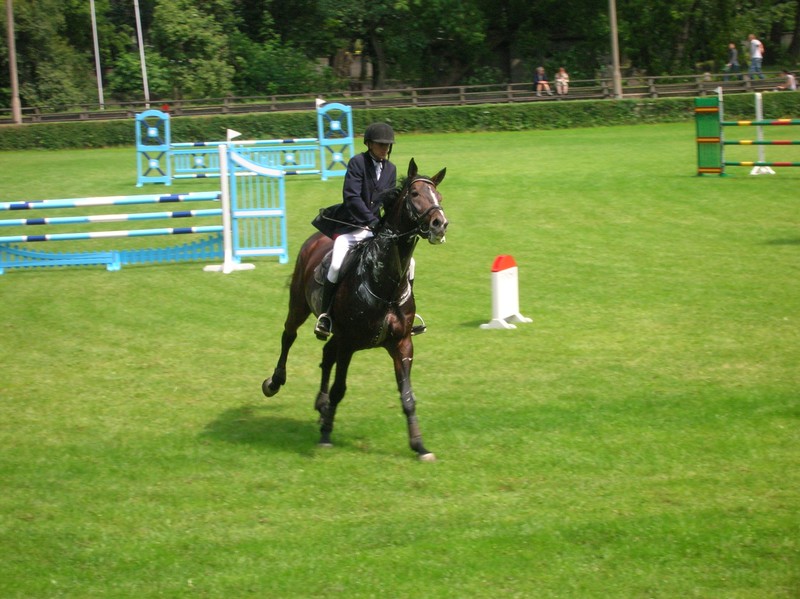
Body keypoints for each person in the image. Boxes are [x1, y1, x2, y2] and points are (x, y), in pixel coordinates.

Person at [311, 122, 424, 340]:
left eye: (387, 145)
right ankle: (325, 316)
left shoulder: (390, 170)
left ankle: (407, 313)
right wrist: (371, 221)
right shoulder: (357, 163)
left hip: (377, 230)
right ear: (369, 144)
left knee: (409, 263)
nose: (385, 149)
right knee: (336, 262)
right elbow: (351, 197)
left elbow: (390, 203)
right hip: (353, 226)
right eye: (381, 145)